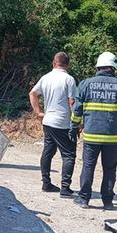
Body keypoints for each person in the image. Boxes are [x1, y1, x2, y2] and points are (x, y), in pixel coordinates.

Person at [69, 52, 117, 210]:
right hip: (112, 138)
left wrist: (73, 127)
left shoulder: (85, 84)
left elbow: (77, 109)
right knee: (110, 169)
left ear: (98, 66)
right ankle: (107, 202)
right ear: (113, 68)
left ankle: (84, 199)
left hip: (91, 136)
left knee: (88, 166)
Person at [29, 52, 77, 197]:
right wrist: (77, 122)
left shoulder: (46, 77)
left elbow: (32, 93)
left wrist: (38, 112)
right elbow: (72, 102)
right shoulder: (69, 80)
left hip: (48, 121)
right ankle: (65, 187)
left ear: (54, 63)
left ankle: (46, 182)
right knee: (69, 155)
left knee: (48, 151)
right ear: (67, 65)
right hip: (62, 122)